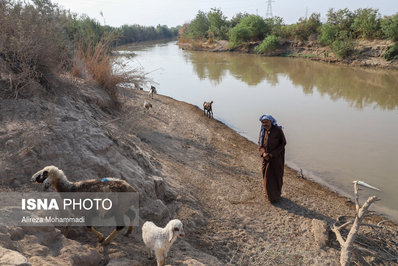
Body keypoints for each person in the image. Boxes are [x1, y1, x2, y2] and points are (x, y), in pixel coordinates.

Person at [258, 114, 287, 203]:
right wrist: (263, 153)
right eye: (263, 122)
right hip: (265, 158)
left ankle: (276, 196)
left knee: (276, 176)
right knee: (266, 176)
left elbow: (283, 144)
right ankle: (269, 195)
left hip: (276, 159)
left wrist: (271, 154)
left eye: (266, 122)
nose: (264, 124)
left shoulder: (278, 130)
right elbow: (260, 143)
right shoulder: (263, 131)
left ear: (271, 121)